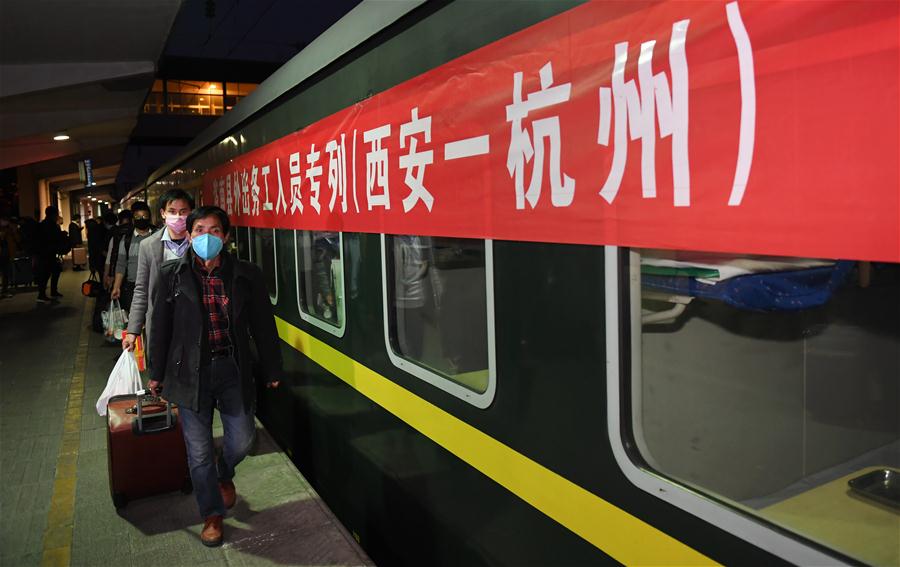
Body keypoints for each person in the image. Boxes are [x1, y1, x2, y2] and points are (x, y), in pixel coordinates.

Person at [149, 205, 282, 547]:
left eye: (214, 231)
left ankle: (224, 473)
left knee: (242, 439)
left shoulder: (246, 274)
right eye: (199, 231)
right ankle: (211, 514)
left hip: (231, 369)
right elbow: (160, 327)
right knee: (198, 451)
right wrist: (156, 372)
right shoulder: (171, 275)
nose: (206, 237)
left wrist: (272, 367)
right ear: (189, 236)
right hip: (189, 373)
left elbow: (263, 326)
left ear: (225, 236)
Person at [123, 189, 194, 354]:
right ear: (163, 213)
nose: (178, 217)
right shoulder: (148, 246)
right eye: (172, 211)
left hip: (193, 322)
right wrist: (133, 331)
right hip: (161, 323)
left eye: (183, 212)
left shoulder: (199, 242)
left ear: (191, 213)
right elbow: (141, 289)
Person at [110, 202, 154, 310]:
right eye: (138, 217)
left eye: (144, 217)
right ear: (133, 220)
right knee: (135, 320)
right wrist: (116, 287)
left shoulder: (157, 236)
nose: (141, 219)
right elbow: (121, 265)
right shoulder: (126, 239)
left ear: (149, 218)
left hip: (154, 286)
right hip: (133, 287)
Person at [34, 206, 64, 303]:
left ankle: (50, 292)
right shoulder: (50, 225)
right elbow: (53, 238)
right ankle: (42, 294)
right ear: (53, 214)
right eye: (56, 214)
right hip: (47, 253)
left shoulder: (43, 224)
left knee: (52, 271)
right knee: (46, 273)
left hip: (45, 253)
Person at [103, 209, 133, 290]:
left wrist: (107, 276)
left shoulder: (115, 237)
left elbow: (109, 260)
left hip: (118, 277)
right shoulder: (139, 237)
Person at [0, 215, 20, 298]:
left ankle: (5, 290)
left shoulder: (12, 231)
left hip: (7, 254)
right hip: (3, 255)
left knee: (6, 273)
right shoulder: (4, 231)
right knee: (5, 273)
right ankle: (4, 291)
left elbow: (18, 240)